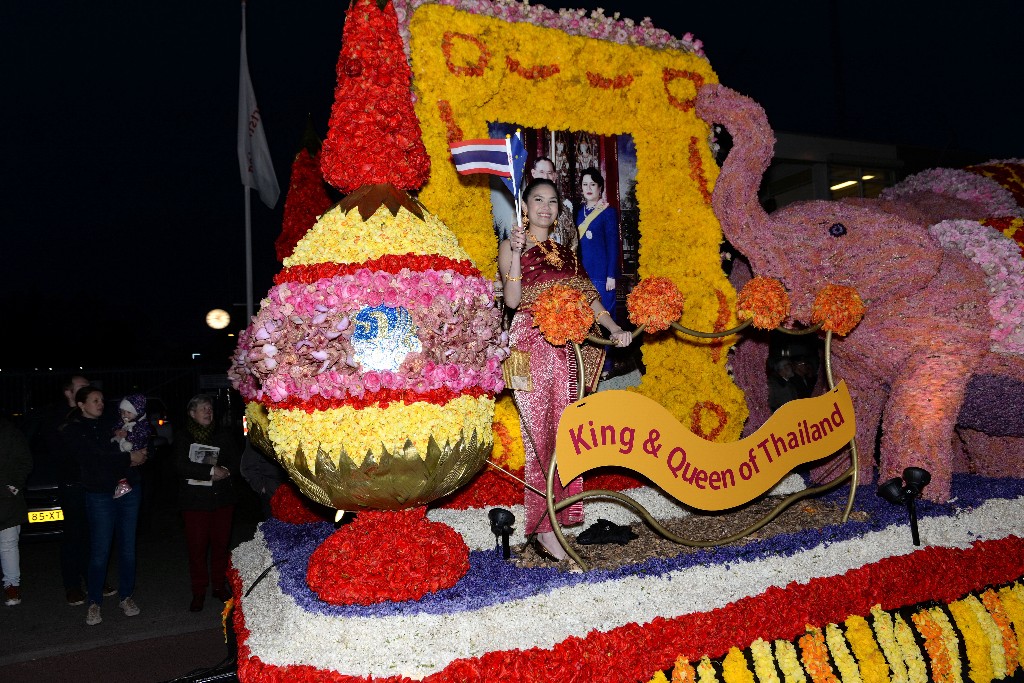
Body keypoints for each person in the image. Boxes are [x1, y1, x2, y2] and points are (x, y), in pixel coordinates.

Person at [498, 178, 632, 561]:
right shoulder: (512, 245)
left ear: (559, 209)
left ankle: (558, 520)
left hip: (566, 351)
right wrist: (516, 256)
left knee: (565, 432)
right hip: (529, 343)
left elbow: (590, 299)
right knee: (537, 435)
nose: (545, 207)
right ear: (525, 205)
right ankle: (543, 530)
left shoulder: (568, 253)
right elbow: (512, 300)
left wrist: (615, 329)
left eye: (552, 201)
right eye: (538, 200)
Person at [61, 386, 147, 625]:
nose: (101, 403)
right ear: (81, 404)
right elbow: (93, 458)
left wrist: (140, 451)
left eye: (102, 399)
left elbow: (139, 439)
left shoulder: (114, 420)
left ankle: (126, 596)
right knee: (100, 551)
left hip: (129, 490)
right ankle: (94, 602)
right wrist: (128, 458)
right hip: (100, 494)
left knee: (128, 548)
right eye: (95, 400)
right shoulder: (75, 430)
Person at [38, 374, 102, 605]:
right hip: (72, 484)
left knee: (95, 535)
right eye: (83, 387)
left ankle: (94, 579)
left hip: (93, 485)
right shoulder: (56, 418)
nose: (88, 390)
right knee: (73, 535)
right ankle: (72, 586)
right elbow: (62, 452)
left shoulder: (90, 415)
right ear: (68, 392)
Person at [174, 394, 239, 612]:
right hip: (194, 503)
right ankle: (199, 591)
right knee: (197, 549)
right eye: (203, 408)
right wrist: (210, 471)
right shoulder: (183, 436)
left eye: (210, 408)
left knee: (221, 546)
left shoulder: (223, 434)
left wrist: (226, 471)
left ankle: (219, 587)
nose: (208, 411)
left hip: (222, 500)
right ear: (192, 413)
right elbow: (180, 465)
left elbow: (235, 460)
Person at [574, 167, 620, 319]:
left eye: (592, 184)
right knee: (585, 319)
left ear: (600, 187)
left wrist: (611, 275)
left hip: (602, 275)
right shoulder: (578, 212)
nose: (588, 188)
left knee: (604, 317)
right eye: (585, 184)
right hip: (583, 274)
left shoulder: (608, 212)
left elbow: (613, 246)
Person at [1, 417, 32, 607]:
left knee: (8, 543)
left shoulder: (8, 431)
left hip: (6, 499)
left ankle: (12, 585)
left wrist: (12, 487)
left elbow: (25, 461)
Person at [529, 156, 576, 251]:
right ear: (533, 173)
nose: (545, 177)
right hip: (533, 258)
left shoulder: (565, 205)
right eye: (541, 172)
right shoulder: (525, 203)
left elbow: (572, 239)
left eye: (549, 173)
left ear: (554, 176)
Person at [110, 394, 150, 498]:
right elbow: (116, 426)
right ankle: (122, 483)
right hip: (124, 448)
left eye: (128, 412)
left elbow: (143, 435)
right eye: (122, 412)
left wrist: (129, 435)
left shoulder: (142, 423)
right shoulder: (123, 421)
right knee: (120, 463)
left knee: (124, 465)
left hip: (136, 448)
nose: (124, 415)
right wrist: (116, 431)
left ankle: (123, 484)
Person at [240, 437, 285, 520]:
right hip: (272, 494)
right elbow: (247, 466)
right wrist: (262, 488)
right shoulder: (260, 434)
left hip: (294, 495)